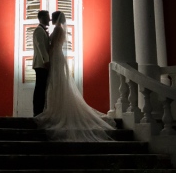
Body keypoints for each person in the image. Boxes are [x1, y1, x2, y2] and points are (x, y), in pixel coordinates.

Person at [36, 10, 115, 141]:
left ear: (56, 19)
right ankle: (57, 109)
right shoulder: (60, 29)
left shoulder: (57, 30)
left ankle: (56, 110)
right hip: (58, 57)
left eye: (52, 18)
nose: (50, 20)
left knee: (56, 84)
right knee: (58, 84)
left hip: (55, 57)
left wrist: (46, 58)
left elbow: (52, 46)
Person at [32, 10, 51, 116]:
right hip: (41, 64)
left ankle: (40, 111)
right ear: (42, 17)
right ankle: (37, 112)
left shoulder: (42, 30)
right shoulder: (39, 30)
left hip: (42, 64)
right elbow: (41, 47)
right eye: (48, 17)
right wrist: (46, 61)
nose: (49, 19)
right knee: (40, 89)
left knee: (42, 88)